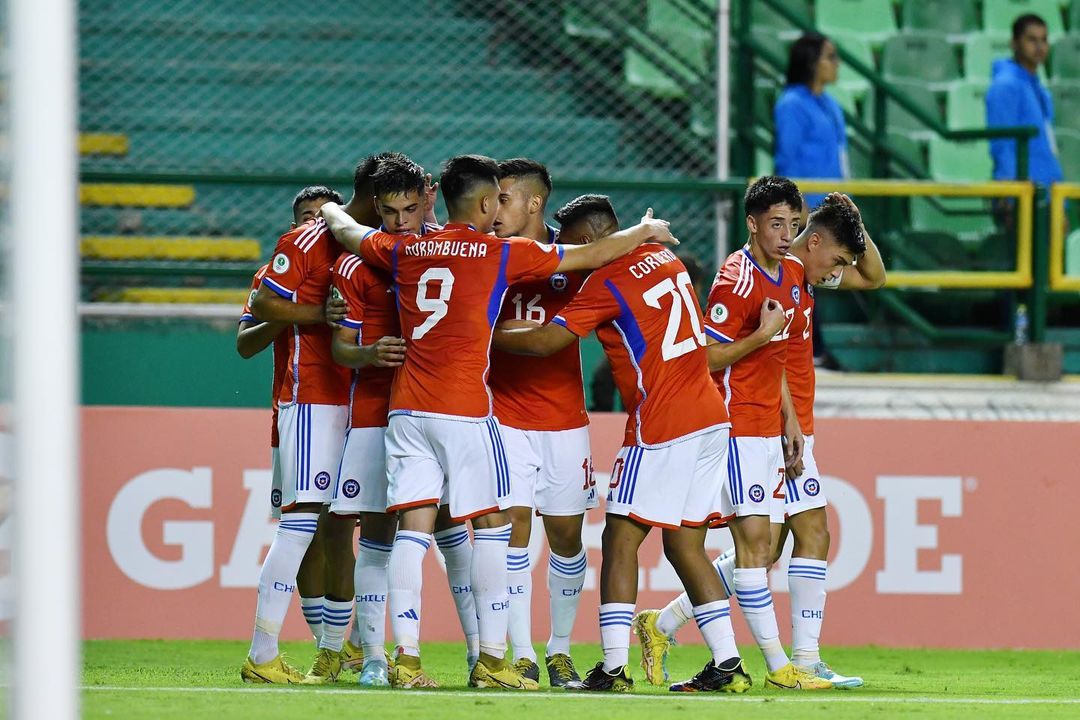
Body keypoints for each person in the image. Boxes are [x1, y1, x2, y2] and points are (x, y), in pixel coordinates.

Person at [319, 154, 678, 690]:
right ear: (487, 203)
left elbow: (350, 232)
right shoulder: (502, 254)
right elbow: (596, 252)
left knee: (411, 535)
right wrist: (646, 229)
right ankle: (493, 660)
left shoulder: (404, 248)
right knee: (491, 529)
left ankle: (407, 660)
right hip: (466, 412)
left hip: (406, 409)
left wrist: (327, 208)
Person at [494, 195, 752, 695]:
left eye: (573, 247)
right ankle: (728, 663)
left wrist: (478, 333)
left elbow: (548, 342)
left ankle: (612, 669)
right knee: (684, 543)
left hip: (662, 422)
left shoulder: (607, 280)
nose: (573, 259)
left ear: (593, 240)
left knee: (619, 540)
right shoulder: (667, 258)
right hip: (709, 417)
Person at [638, 192, 883, 689]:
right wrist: (784, 414)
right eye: (834, 257)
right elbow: (717, 355)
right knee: (761, 548)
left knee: (808, 535)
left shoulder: (800, 274)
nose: (837, 269)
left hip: (789, 426)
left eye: (791, 223)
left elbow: (874, 276)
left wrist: (855, 223)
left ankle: (801, 658)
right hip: (749, 425)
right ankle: (777, 664)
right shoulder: (752, 274)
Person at [328, 155, 480, 686]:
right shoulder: (357, 263)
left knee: (453, 530)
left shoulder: (451, 248)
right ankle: (374, 659)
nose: (399, 221)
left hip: (441, 407)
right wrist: (368, 354)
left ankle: (477, 656)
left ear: (430, 196)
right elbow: (340, 350)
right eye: (388, 211)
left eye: (409, 209)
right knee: (377, 533)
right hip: (379, 411)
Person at [240, 177, 354, 683]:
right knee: (305, 532)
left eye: (324, 217)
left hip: (354, 410)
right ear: (295, 225)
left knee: (341, 530)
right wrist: (294, 315)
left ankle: (341, 648)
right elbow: (245, 343)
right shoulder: (275, 275)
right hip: (297, 409)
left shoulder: (351, 266)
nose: (316, 224)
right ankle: (318, 644)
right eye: (309, 217)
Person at [488, 158, 595, 687]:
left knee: (567, 539)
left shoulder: (575, 254)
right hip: (503, 415)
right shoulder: (485, 253)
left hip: (564, 420)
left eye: (504, 198)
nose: (494, 208)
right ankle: (523, 652)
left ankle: (559, 649)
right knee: (514, 532)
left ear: (534, 203)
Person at [774, 33, 848, 211]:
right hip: (808, 210)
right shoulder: (792, 104)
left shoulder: (831, 104)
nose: (837, 63)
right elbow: (787, 158)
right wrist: (797, 205)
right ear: (812, 62)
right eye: (830, 57)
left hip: (834, 208)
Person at [987, 13, 1062, 188]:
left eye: (1044, 40)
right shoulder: (1006, 85)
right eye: (1032, 40)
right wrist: (1009, 189)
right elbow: (1001, 142)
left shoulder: (1039, 90)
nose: (1039, 46)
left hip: (1046, 190)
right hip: (1022, 194)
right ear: (1014, 43)